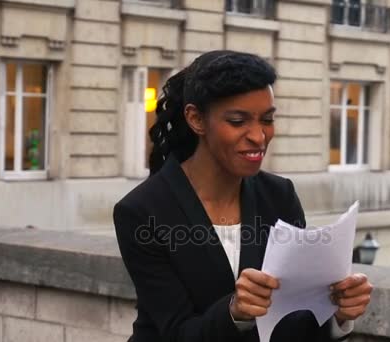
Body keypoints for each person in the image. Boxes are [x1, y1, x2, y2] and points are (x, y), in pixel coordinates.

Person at [113, 50, 372, 342]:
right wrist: (235, 312)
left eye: (267, 119)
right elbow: (176, 332)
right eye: (238, 121)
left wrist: (338, 315)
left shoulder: (279, 195)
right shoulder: (141, 211)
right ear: (196, 119)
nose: (259, 136)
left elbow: (295, 319)